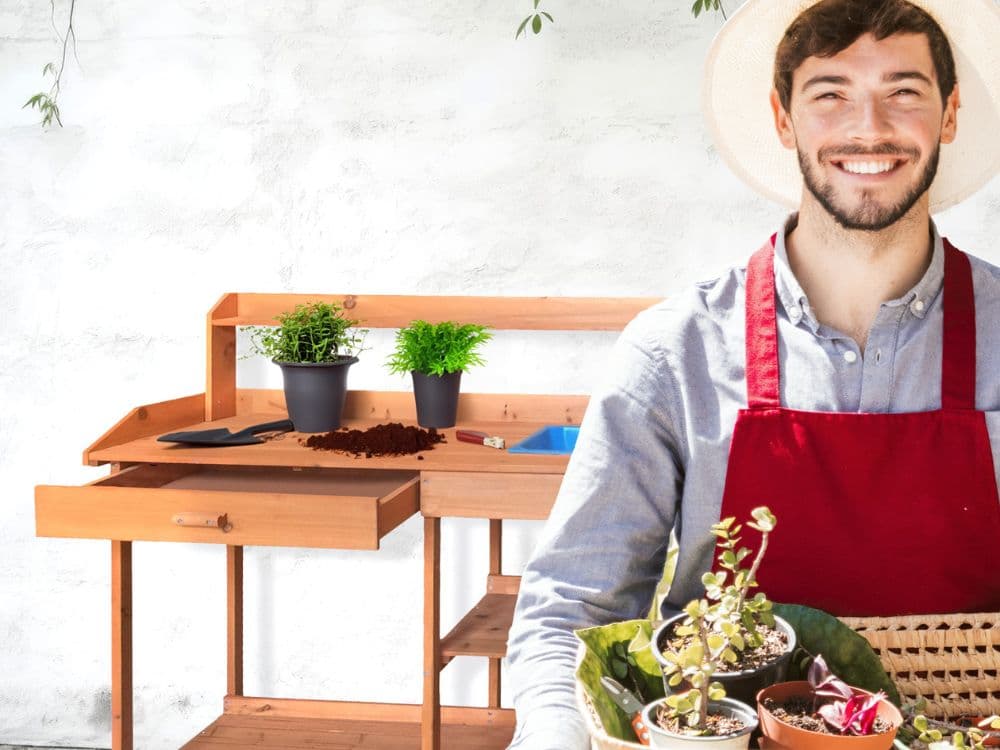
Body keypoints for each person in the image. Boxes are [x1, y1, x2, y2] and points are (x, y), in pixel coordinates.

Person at [504, 0, 1000, 747]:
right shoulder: (675, 352)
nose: (869, 127)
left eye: (904, 91)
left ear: (950, 113)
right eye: (830, 94)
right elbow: (571, 614)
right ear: (782, 118)